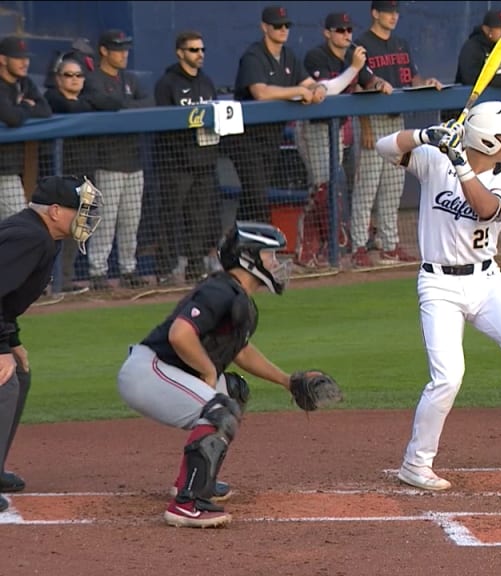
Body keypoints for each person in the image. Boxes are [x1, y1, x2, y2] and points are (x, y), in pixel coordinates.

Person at [375, 101, 501, 491]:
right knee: (448, 378)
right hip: (438, 286)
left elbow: (485, 209)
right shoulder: (433, 161)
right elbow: (384, 147)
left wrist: (460, 163)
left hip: (486, 282)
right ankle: (415, 464)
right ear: (487, 139)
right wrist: (427, 136)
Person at [116, 221, 297, 528]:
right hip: (148, 372)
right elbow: (180, 334)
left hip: (163, 370)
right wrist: (207, 370)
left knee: (233, 392)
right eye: (270, 256)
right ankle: (187, 504)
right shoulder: (219, 291)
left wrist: (287, 381)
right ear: (248, 258)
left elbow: (240, 351)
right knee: (219, 410)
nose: (276, 263)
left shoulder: (235, 295)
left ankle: (195, 481)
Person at [0, 175, 102, 511]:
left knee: (20, 376)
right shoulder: (30, 238)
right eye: (79, 210)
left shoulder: (41, 236)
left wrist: (11, 341)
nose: (84, 217)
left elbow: (7, 298)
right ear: (56, 211)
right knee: (5, 385)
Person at [295, 11, 391, 268]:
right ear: (327, 33)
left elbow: (368, 80)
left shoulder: (352, 56)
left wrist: (378, 83)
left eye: (349, 30)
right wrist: (355, 69)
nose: (346, 35)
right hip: (313, 128)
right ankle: (307, 248)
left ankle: (324, 248)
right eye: (340, 30)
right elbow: (327, 91)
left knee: (330, 187)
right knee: (322, 187)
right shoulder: (317, 55)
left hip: (338, 130)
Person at [351, 0, 443, 269]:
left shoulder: (400, 43)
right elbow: (357, 87)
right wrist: (365, 126)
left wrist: (426, 83)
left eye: (396, 12)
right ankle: (358, 245)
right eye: (388, 12)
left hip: (397, 122)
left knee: (393, 187)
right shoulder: (361, 44)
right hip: (373, 121)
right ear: (375, 13)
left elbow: (411, 78)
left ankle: (389, 244)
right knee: (367, 187)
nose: (393, 16)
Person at [229, 5, 327, 224]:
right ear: (264, 27)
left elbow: (310, 83)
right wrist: (299, 91)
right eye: (277, 26)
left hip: (271, 139)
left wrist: (319, 89)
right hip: (245, 140)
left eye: (286, 25)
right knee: (257, 196)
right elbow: (261, 92)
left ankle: (236, 248)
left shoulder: (288, 55)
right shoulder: (253, 56)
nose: (283, 29)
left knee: (251, 197)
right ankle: (265, 254)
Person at [82, 29, 153, 290]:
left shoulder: (130, 79)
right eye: (118, 49)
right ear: (104, 51)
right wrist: (124, 106)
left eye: (125, 49)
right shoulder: (93, 79)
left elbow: (149, 102)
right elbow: (103, 102)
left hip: (134, 162)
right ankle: (97, 272)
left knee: (130, 221)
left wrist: (123, 106)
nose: (124, 54)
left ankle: (128, 269)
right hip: (107, 162)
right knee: (105, 220)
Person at [153, 31, 221, 286]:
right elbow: (163, 125)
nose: (199, 54)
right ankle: (165, 270)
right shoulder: (167, 83)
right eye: (193, 50)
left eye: (202, 50)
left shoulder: (207, 82)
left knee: (199, 219)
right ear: (180, 53)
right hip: (176, 165)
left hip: (204, 163)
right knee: (171, 217)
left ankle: (195, 267)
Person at [43, 56, 97, 293]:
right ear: (58, 78)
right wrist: (89, 106)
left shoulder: (87, 99)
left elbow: (110, 103)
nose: (74, 80)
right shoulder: (52, 98)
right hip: (56, 179)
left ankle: (64, 279)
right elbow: (70, 107)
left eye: (78, 75)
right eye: (68, 75)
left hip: (83, 178)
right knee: (51, 232)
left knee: (76, 232)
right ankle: (47, 280)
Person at [442, 9, 501, 122]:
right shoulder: (472, 47)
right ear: (486, 29)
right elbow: (471, 78)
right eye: (500, 28)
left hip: (498, 110)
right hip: (468, 112)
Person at [0, 36, 52, 220]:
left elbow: (45, 110)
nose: (25, 62)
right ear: (3, 59)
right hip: (4, 171)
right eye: (18, 57)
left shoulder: (25, 82)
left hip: (12, 168)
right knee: (20, 225)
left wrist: (24, 108)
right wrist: (27, 106)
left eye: (26, 57)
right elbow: (11, 117)